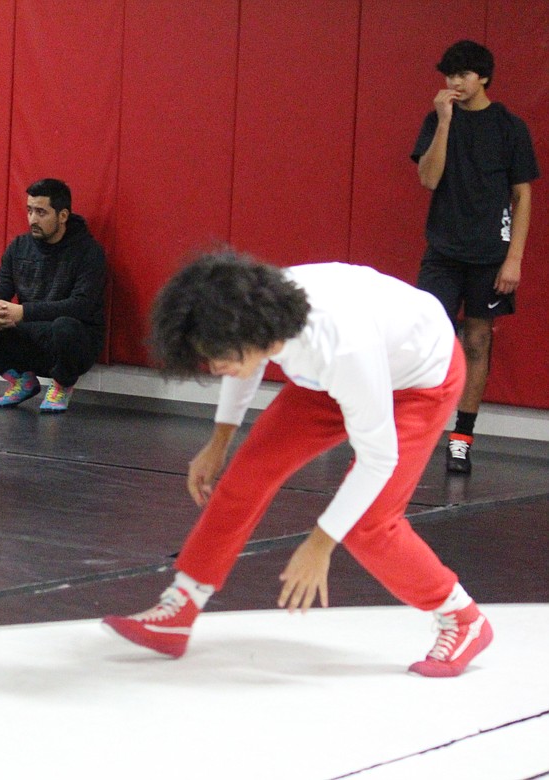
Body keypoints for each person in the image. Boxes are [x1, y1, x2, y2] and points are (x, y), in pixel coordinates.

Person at [103, 248, 492, 678]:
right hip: (332, 377)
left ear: (258, 335)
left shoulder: (341, 344)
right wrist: (220, 439)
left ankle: (462, 617)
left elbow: (378, 459)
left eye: (220, 357)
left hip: (420, 382)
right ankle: (182, 606)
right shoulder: (254, 308)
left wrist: (320, 543)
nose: (215, 368)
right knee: (247, 474)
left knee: (368, 524)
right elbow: (243, 365)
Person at [412, 39, 539, 474]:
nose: (455, 83)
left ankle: (462, 437)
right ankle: (414, 430)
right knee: (429, 341)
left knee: (479, 340)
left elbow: (523, 196)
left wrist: (514, 259)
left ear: (483, 76)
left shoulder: (509, 127)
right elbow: (428, 179)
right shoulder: (437, 119)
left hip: (490, 255)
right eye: (449, 76)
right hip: (443, 252)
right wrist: (445, 123)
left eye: (463, 75)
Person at [0, 178, 106, 413]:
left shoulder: (89, 252)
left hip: (69, 342)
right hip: (30, 333)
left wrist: (23, 312)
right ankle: (22, 380)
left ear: (62, 216)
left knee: (66, 328)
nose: (32, 219)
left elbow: (81, 306)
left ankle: (62, 385)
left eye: (41, 212)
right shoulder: (19, 247)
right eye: (30, 210)